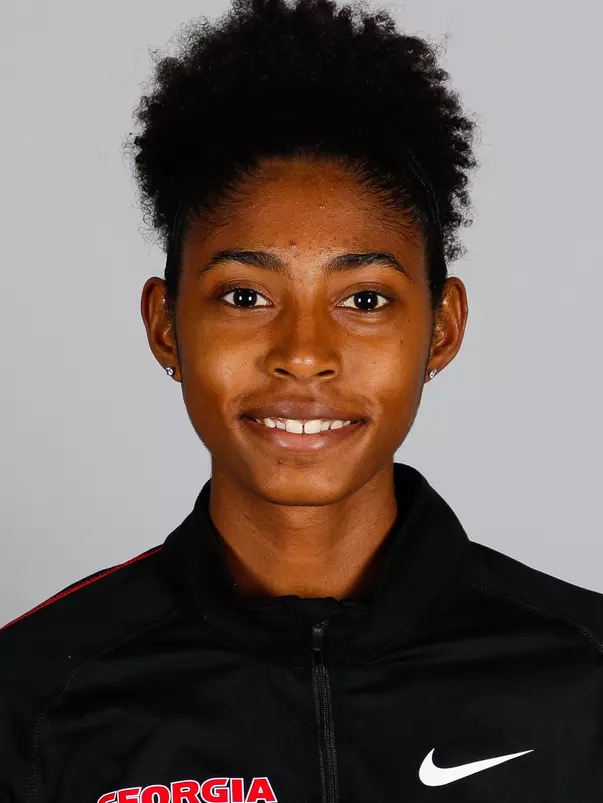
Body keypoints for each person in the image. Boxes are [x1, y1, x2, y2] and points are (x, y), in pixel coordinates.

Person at [2, 0, 603, 799]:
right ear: (165, 326)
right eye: (245, 296)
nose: (304, 354)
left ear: (442, 328)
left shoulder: (585, 675)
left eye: (364, 300)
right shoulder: (34, 696)